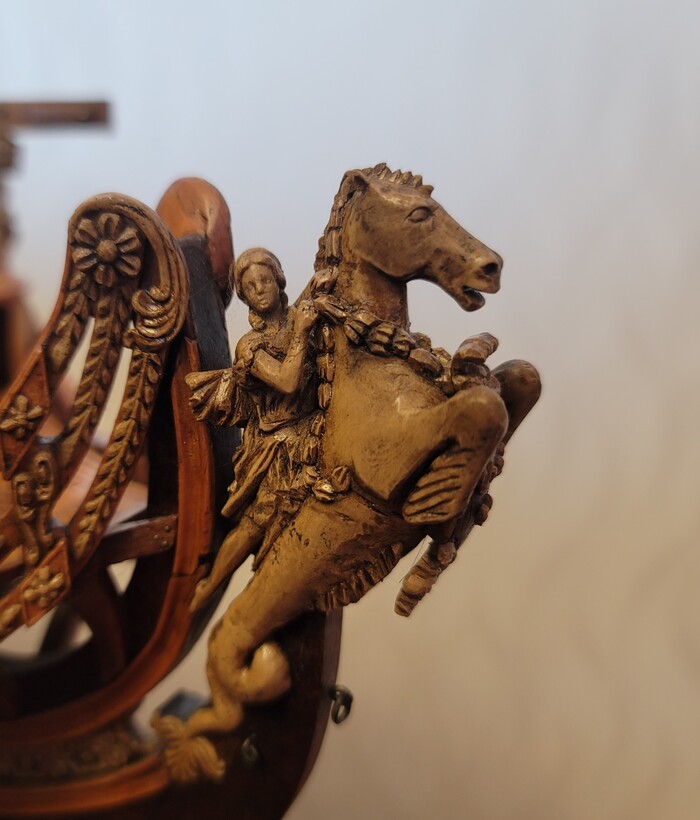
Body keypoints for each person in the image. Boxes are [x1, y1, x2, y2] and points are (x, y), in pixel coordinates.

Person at [188, 248, 319, 612]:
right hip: (277, 446)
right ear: (244, 296)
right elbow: (288, 382)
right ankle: (211, 584)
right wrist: (303, 332)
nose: (260, 289)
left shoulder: (296, 317)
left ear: (279, 282)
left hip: (314, 431)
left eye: (265, 280)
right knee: (258, 520)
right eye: (250, 286)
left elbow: (310, 302)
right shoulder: (250, 346)